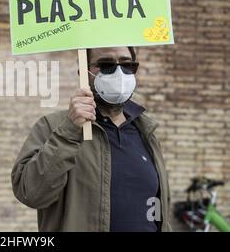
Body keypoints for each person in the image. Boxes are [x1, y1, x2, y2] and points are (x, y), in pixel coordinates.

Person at [12, 47, 172, 232]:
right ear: (84, 71)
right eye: (106, 65)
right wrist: (70, 130)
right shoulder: (54, 126)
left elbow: (160, 213)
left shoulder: (146, 131)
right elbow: (31, 193)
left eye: (127, 65)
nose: (119, 73)